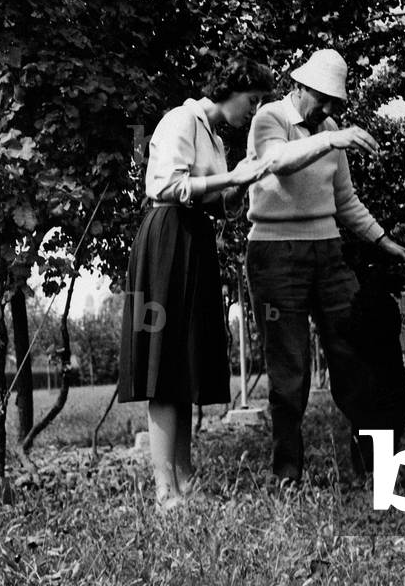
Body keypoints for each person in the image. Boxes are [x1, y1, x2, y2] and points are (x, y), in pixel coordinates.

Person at [244, 48, 405, 486]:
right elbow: (277, 162)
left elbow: (344, 199)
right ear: (299, 87)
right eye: (322, 100)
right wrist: (330, 140)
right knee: (290, 368)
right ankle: (288, 473)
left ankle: (373, 466)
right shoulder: (270, 118)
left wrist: (382, 240)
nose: (327, 110)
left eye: (334, 103)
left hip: (328, 251)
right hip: (276, 253)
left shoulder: (330, 129)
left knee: (355, 353)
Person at [119, 58, 275, 511]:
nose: (254, 110)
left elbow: (214, 201)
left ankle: (185, 480)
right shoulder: (181, 119)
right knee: (164, 363)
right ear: (230, 90)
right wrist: (230, 177)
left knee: (186, 363)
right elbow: (168, 186)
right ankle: (163, 489)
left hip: (195, 240)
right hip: (168, 236)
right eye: (252, 100)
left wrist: (243, 180)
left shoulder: (215, 138)